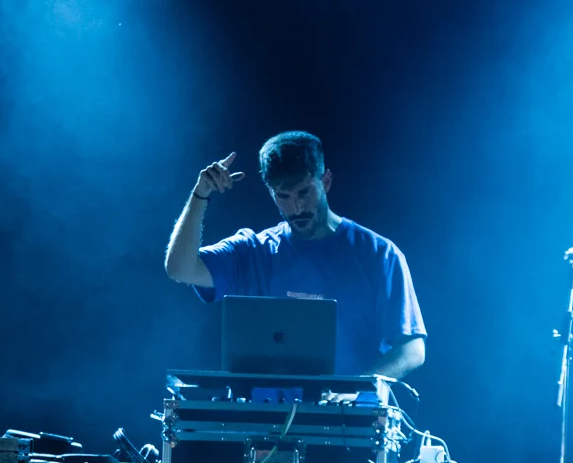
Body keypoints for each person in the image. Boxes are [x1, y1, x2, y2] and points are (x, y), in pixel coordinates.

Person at [164, 132, 426, 379]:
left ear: (326, 182)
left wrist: (356, 390)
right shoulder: (252, 251)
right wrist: (200, 194)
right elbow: (179, 269)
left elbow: (412, 349)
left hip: (349, 411)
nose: (297, 207)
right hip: (266, 413)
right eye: (283, 196)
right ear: (271, 192)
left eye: (304, 192)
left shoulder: (378, 254)